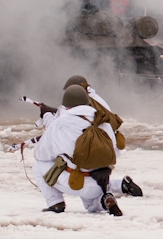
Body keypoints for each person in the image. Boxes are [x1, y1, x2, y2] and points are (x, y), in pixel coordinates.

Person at [38, 75, 142, 198]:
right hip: (106, 159)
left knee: (46, 163)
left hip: (81, 164)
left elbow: (54, 130)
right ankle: (118, 187)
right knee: (93, 180)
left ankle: (56, 203)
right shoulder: (98, 104)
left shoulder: (65, 114)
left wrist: (46, 115)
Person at [33, 85, 124, 215]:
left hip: (74, 182)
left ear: (66, 104)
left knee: (38, 165)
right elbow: (115, 152)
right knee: (91, 205)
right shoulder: (101, 118)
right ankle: (105, 200)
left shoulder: (60, 122)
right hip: (100, 183)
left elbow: (41, 153)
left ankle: (55, 203)